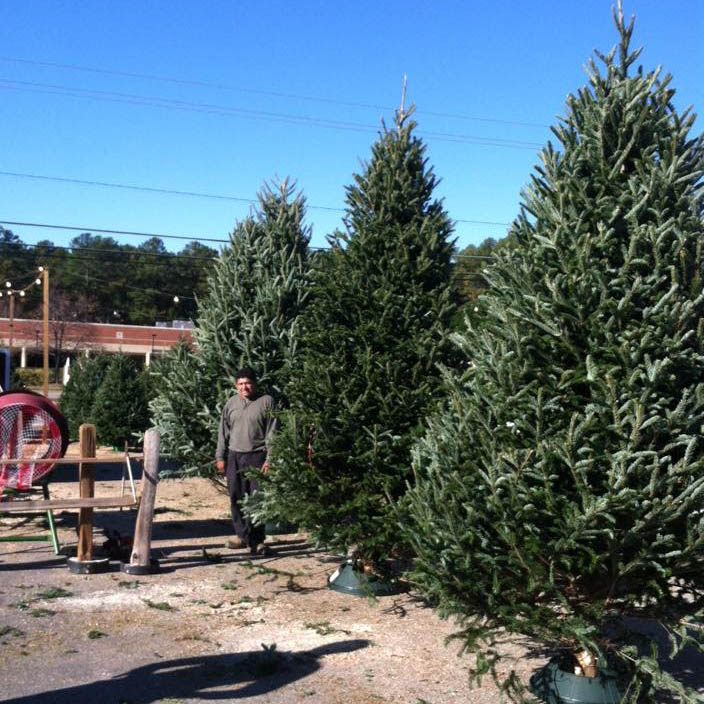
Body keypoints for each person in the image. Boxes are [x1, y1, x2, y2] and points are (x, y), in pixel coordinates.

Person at [215, 368, 276, 555]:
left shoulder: (266, 402)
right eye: (241, 384)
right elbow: (222, 432)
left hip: (257, 456)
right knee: (236, 496)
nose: (245, 387)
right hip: (234, 456)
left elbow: (272, 433)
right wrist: (220, 456)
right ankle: (241, 536)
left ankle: (257, 541)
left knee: (256, 499)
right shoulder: (231, 404)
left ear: (254, 384)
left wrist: (270, 459)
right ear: (236, 386)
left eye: (248, 383)